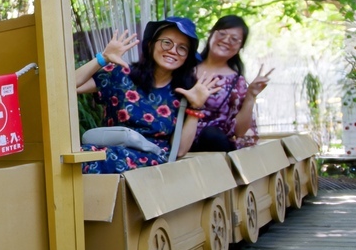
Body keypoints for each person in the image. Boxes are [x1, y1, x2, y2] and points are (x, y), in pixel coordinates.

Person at [75, 16, 222, 173]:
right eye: (167, 42)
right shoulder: (120, 74)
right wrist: (102, 58)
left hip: (150, 168)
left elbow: (178, 151)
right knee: (77, 159)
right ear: (151, 44)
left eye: (182, 48)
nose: (173, 50)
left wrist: (196, 107)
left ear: (187, 57)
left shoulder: (184, 92)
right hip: (106, 153)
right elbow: (69, 86)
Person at [189, 15, 272, 152]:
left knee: (211, 136)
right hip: (182, 145)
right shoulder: (186, 70)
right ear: (211, 34)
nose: (226, 40)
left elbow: (239, 132)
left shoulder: (237, 82)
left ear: (240, 47)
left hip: (217, 149)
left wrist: (250, 95)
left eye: (234, 39)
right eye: (222, 34)